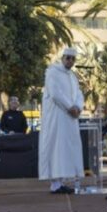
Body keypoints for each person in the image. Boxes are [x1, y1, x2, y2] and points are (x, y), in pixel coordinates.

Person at [38, 47, 85, 194]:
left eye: (72, 58)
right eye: (67, 58)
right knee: (56, 148)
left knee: (66, 149)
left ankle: (61, 182)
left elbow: (78, 93)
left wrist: (78, 106)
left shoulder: (72, 76)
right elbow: (55, 93)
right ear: (62, 58)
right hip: (57, 117)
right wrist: (69, 107)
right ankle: (55, 184)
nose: (70, 61)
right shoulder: (52, 72)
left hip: (70, 118)